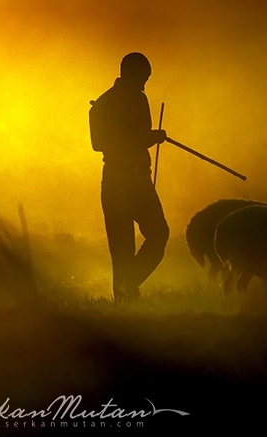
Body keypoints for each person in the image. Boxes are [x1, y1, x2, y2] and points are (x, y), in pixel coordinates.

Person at [90, 52, 169, 302]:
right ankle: (126, 302)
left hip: (136, 180)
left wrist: (148, 137)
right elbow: (98, 143)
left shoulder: (137, 99)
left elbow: (138, 136)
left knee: (158, 235)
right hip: (119, 181)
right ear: (130, 74)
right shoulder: (102, 105)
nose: (145, 84)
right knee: (123, 249)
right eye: (143, 78)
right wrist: (148, 138)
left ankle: (127, 285)